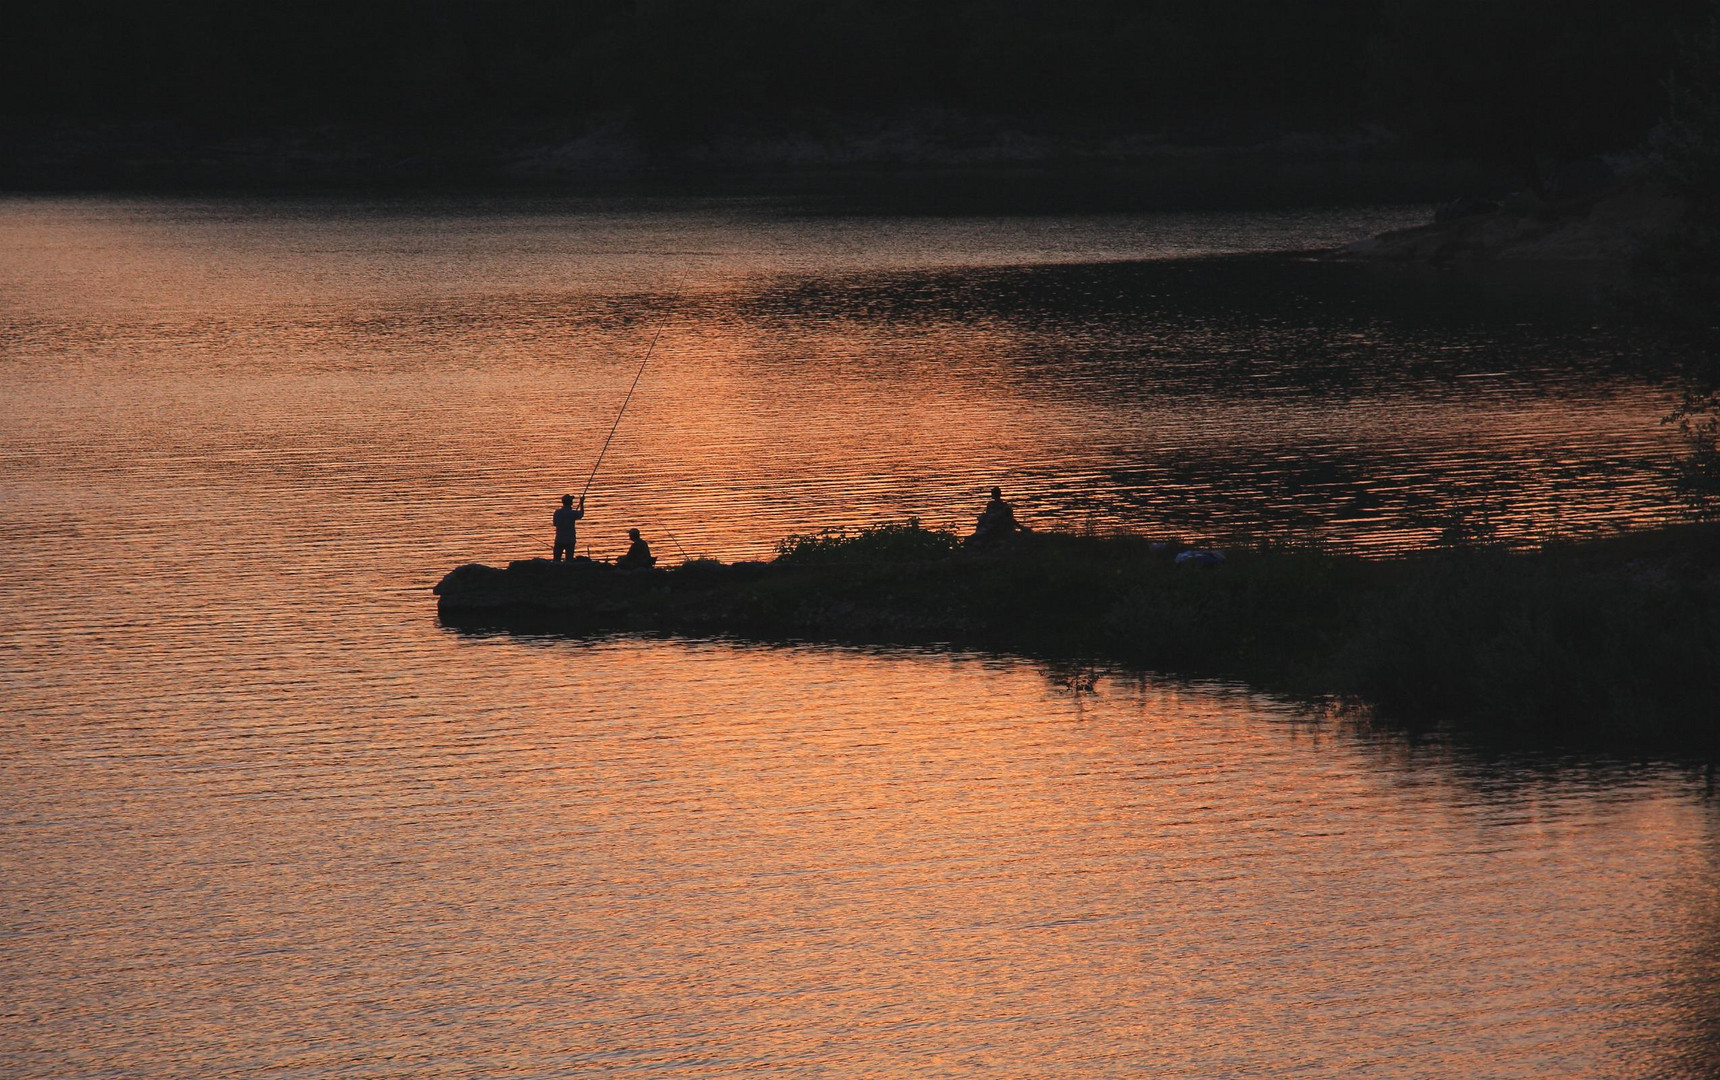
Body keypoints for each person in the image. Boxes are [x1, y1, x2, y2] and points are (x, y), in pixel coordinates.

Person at [552, 494, 584, 562]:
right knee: (569, 560)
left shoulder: (557, 512)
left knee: (556, 560)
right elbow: (581, 514)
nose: (572, 502)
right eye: (571, 501)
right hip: (570, 540)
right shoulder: (572, 513)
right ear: (570, 503)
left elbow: (555, 524)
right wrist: (581, 503)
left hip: (559, 539)